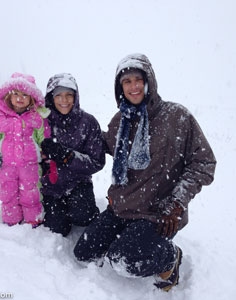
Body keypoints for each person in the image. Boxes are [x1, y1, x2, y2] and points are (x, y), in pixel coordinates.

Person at [74, 53, 216, 291]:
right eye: (126, 82)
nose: (133, 86)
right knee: (83, 252)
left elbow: (204, 162)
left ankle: (171, 258)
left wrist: (177, 203)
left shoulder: (176, 116)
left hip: (158, 213)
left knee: (125, 260)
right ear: (120, 87)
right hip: (121, 208)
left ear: (149, 80)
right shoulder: (120, 120)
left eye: (138, 79)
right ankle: (130, 237)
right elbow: (100, 145)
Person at [0, 73, 50, 228]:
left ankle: (34, 222)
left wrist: (48, 160)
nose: (20, 98)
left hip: (30, 166)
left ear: (31, 98)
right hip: (6, 165)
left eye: (25, 94)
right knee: (8, 194)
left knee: (31, 194)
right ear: (8, 95)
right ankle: (11, 223)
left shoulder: (37, 116)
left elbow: (44, 139)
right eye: (16, 94)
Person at [40, 73, 105, 237]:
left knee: (84, 216)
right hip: (50, 186)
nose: (64, 100)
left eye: (69, 95)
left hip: (79, 183)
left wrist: (67, 156)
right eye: (59, 95)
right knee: (57, 228)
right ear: (50, 97)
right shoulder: (41, 122)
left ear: (76, 97)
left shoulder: (88, 122)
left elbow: (97, 161)